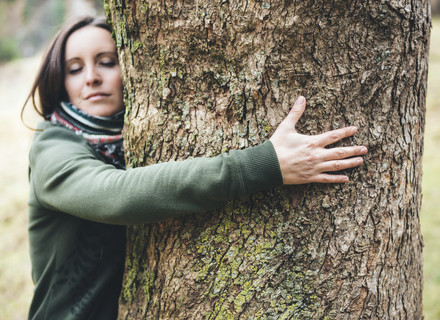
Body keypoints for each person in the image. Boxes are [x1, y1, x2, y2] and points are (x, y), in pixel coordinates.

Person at [23, 16, 367, 320]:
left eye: (107, 62)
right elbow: (116, 196)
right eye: (75, 68)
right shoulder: (52, 148)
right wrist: (265, 164)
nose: (92, 77)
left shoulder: (131, 139)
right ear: (60, 81)